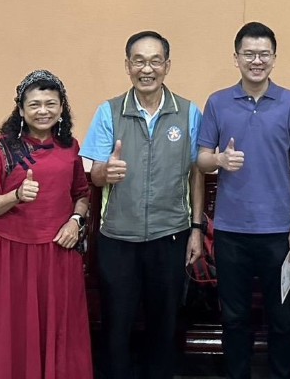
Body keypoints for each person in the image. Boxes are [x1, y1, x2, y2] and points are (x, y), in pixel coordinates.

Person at [80, 30, 205, 379]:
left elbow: (196, 174)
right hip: (118, 238)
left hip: (171, 235)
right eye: (139, 61)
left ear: (167, 65)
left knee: (164, 328)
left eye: (154, 61)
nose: (146, 69)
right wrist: (106, 172)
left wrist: (196, 229)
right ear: (127, 66)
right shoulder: (109, 111)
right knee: (116, 327)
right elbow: (94, 174)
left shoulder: (189, 112)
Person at [196, 21, 290, 379]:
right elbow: (201, 159)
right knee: (234, 319)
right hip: (231, 231)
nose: (256, 61)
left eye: (263, 54)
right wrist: (219, 160)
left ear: (274, 58)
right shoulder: (218, 102)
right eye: (249, 54)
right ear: (236, 58)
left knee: (282, 318)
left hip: (279, 231)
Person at [0, 69, 92, 379]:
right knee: (12, 328)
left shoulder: (70, 147)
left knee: (60, 327)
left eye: (51, 104)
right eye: (35, 104)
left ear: (62, 108)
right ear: (21, 110)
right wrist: (16, 195)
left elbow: (82, 194)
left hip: (58, 252)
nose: (43, 111)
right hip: (12, 254)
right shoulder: (1, 148)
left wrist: (75, 222)